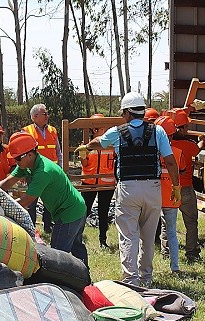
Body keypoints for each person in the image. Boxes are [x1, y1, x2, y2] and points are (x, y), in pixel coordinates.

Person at [76, 92, 181, 287]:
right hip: (152, 189)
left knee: (128, 236)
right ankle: (146, 278)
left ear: (127, 112)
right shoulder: (158, 132)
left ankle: (131, 280)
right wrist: (176, 186)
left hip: (128, 189)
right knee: (148, 237)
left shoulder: (118, 131)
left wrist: (86, 147)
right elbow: (170, 162)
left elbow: (99, 142)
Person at [0, 131, 88, 267]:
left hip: (69, 213)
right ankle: (85, 279)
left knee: (57, 257)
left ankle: (63, 283)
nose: (15, 162)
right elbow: (7, 182)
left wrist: (1, 210)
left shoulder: (43, 172)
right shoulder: (28, 165)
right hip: (77, 208)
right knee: (77, 247)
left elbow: (26, 201)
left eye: (17, 159)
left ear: (29, 154)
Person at [171, 109, 205, 262]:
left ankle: (167, 252)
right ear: (180, 128)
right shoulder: (188, 145)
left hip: (169, 189)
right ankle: (191, 253)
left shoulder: (165, 143)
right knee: (191, 223)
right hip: (186, 189)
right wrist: (203, 139)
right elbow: (198, 148)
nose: (187, 130)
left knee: (168, 224)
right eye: (186, 127)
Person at [22, 104, 62, 233]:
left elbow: (58, 151)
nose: (47, 116)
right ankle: (31, 227)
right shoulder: (26, 131)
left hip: (51, 173)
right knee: (31, 200)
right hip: (33, 173)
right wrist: (23, 172)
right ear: (35, 117)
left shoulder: (53, 130)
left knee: (49, 200)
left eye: (46, 113)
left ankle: (48, 226)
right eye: (44, 114)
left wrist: (60, 168)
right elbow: (22, 154)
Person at [78, 114, 116, 249]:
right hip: (89, 182)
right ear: (95, 130)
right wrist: (83, 155)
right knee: (84, 210)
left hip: (107, 183)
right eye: (103, 128)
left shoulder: (111, 145)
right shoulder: (87, 145)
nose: (106, 130)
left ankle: (103, 240)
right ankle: (77, 236)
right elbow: (85, 164)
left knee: (103, 211)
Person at [154, 116, 186, 273]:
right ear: (172, 135)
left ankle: (145, 270)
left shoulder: (152, 152)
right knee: (172, 233)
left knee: (146, 234)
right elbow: (183, 170)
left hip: (153, 197)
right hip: (172, 198)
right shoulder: (178, 153)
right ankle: (175, 267)